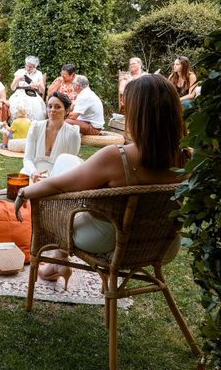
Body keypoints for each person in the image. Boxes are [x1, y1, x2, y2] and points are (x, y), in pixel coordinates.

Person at [15, 74, 186, 285]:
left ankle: (59, 258)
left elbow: (59, 184)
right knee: (68, 161)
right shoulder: (188, 157)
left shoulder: (117, 157)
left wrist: (25, 192)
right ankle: (58, 260)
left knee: (63, 181)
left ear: (138, 115)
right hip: (163, 243)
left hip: (107, 240)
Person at [21, 92, 81, 182]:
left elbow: (70, 163)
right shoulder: (36, 127)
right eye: (50, 106)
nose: (52, 110)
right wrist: (33, 173)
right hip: (33, 170)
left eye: (58, 107)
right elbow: (28, 159)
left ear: (67, 111)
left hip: (59, 174)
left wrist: (53, 180)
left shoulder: (73, 133)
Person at [8, 55, 46, 121]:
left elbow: (42, 91)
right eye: (27, 65)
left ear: (35, 67)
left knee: (32, 103)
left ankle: (31, 123)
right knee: (16, 102)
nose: (28, 68)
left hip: (32, 93)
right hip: (19, 93)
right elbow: (12, 88)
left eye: (31, 67)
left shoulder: (38, 73)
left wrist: (39, 84)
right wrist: (18, 79)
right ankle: (17, 123)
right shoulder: (19, 71)